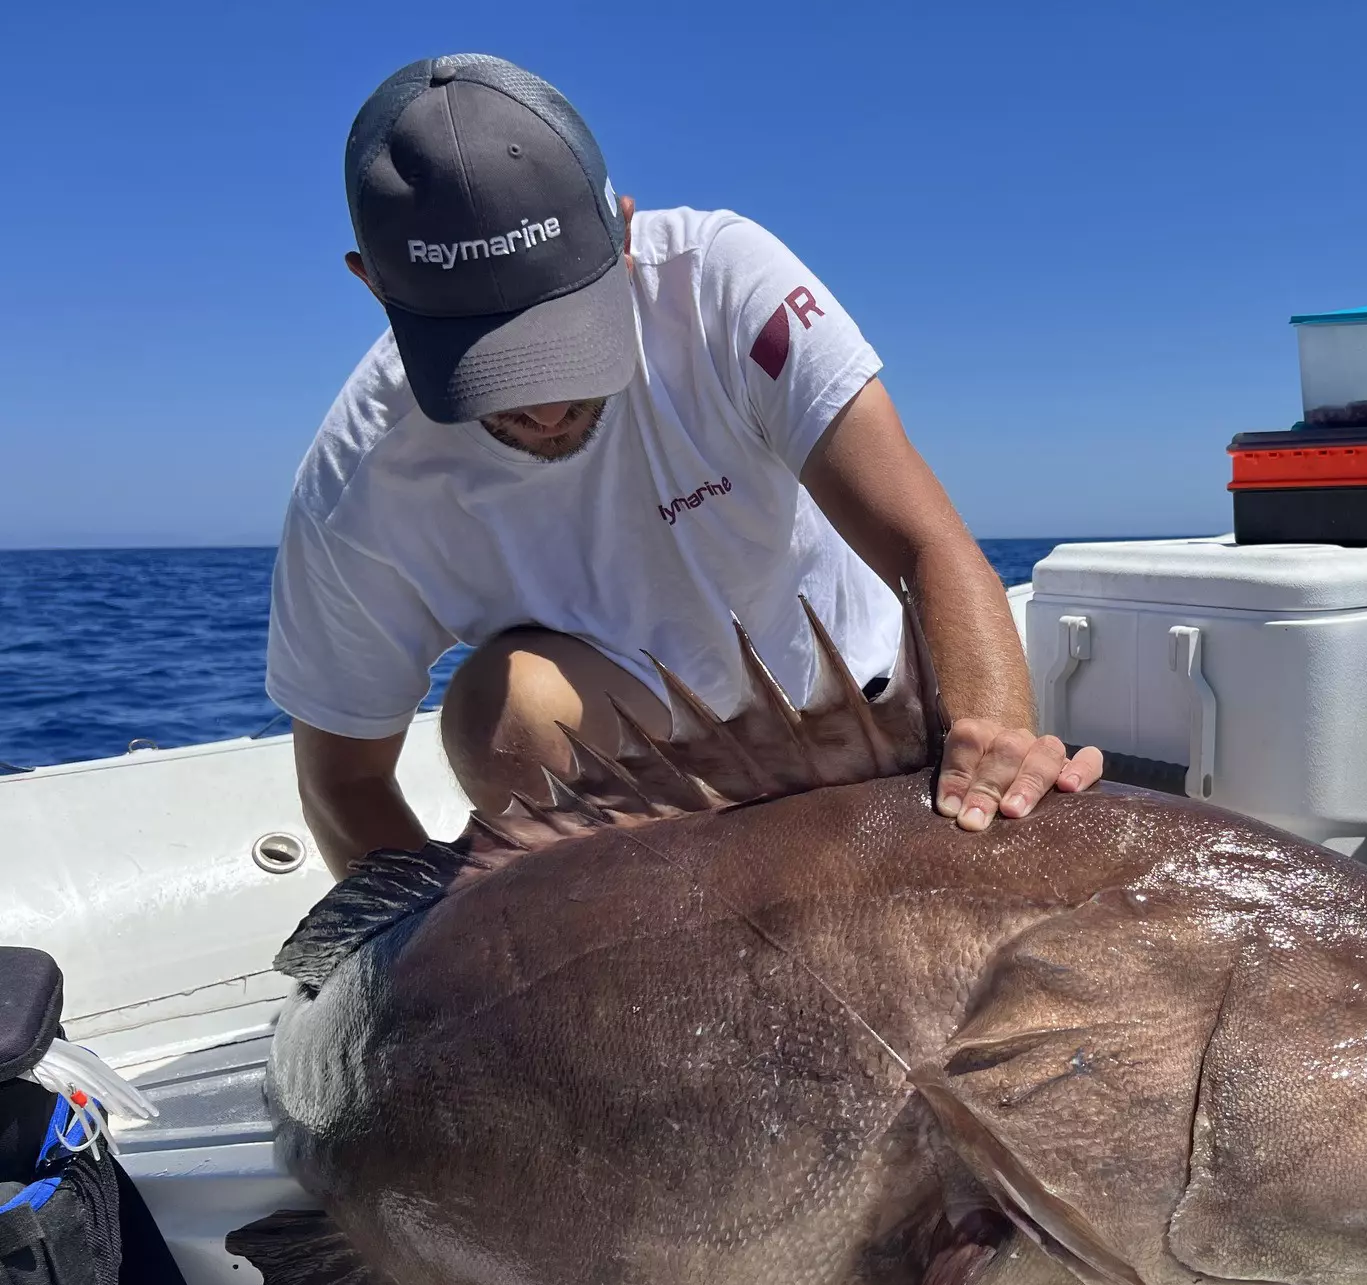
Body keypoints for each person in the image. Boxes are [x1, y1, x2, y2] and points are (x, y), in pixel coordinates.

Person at [265, 54, 1101, 876]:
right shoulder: (360, 485)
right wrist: (423, 973)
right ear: (373, 286)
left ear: (623, 231)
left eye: (567, 338)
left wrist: (996, 751)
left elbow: (928, 544)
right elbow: (344, 778)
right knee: (501, 707)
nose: (549, 408)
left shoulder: (727, 285)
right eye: (490, 368)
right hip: (648, 811)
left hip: (873, 725)